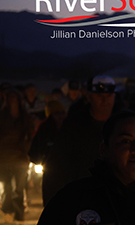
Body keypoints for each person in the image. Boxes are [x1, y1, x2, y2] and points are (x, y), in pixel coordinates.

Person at [42, 76, 118, 206]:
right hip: (81, 195)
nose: (105, 100)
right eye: (100, 96)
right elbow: (56, 165)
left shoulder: (124, 124)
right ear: (89, 97)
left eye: (109, 95)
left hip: (116, 196)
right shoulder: (74, 126)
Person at [0, 88, 34, 222]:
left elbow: (30, 135)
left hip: (20, 157)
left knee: (19, 189)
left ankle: (19, 215)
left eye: (15, 98)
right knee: (7, 187)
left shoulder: (25, 117)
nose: (13, 101)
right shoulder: (2, 116)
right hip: (3, 158)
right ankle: (8, 211)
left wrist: (26, 149)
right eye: (10, 98)